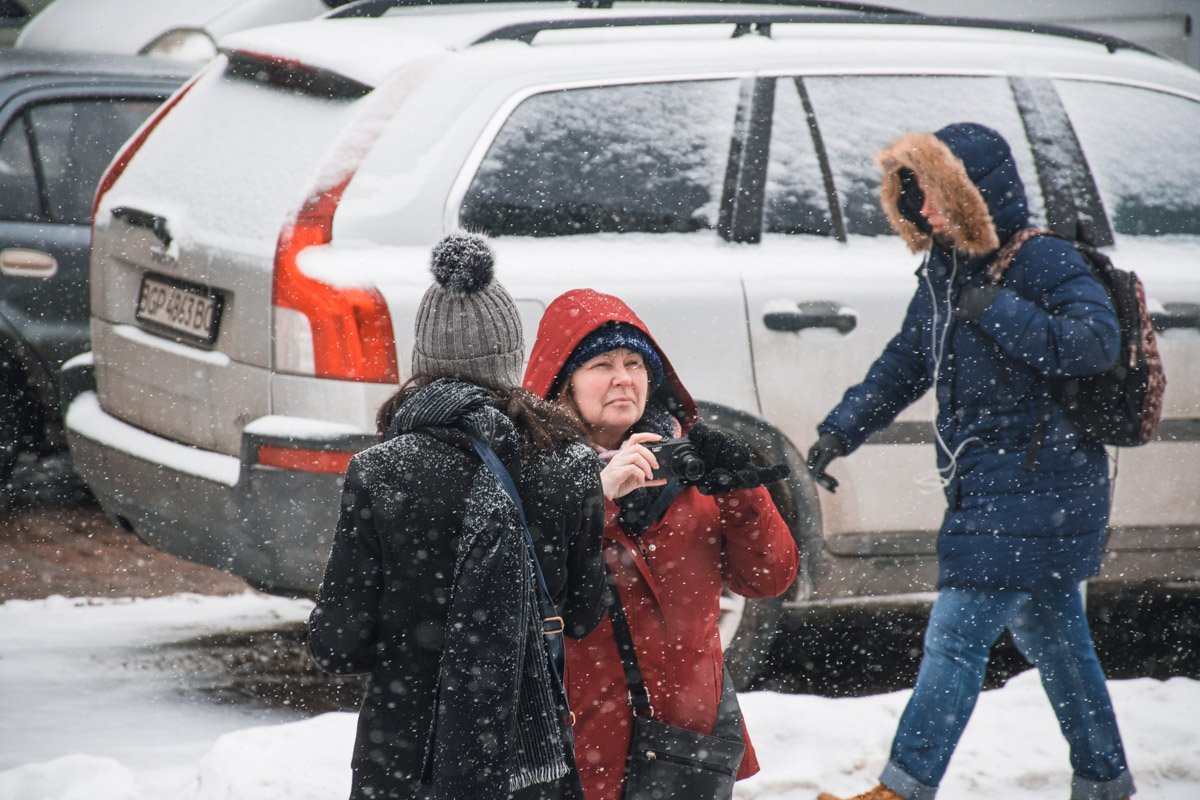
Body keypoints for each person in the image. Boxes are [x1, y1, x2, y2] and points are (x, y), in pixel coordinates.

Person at [809, 123, 1134, 800]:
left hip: (1042, 485)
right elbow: (905, 363)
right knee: (1060, 647)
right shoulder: (946, 270)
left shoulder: (1044, 263)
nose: (921, 209)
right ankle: (1106, 781)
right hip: (993, 485)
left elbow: (1095, 343)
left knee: (954, 640)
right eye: (914, 195)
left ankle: (902, 788)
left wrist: (999, 310)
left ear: (970, 193)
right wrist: (841, 430)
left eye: (930, 193)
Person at [308, 233, 607, 800]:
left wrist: (415, 641)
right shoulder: (569, 464)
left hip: (404, 756)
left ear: (422, 360)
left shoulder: (380, 471)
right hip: (528, 760)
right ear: (511, 360)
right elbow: (585, 612)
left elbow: (336, 643)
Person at [523, 288, 799, 800]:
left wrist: (744, 491)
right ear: (562, 383)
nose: (623, 378)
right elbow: (522, 585)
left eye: (634, 363)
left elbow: (769, 578)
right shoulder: (530, 474)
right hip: (578, 742)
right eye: (600, 364)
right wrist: (596, 498)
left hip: (686, 743)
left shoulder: (691, 464)